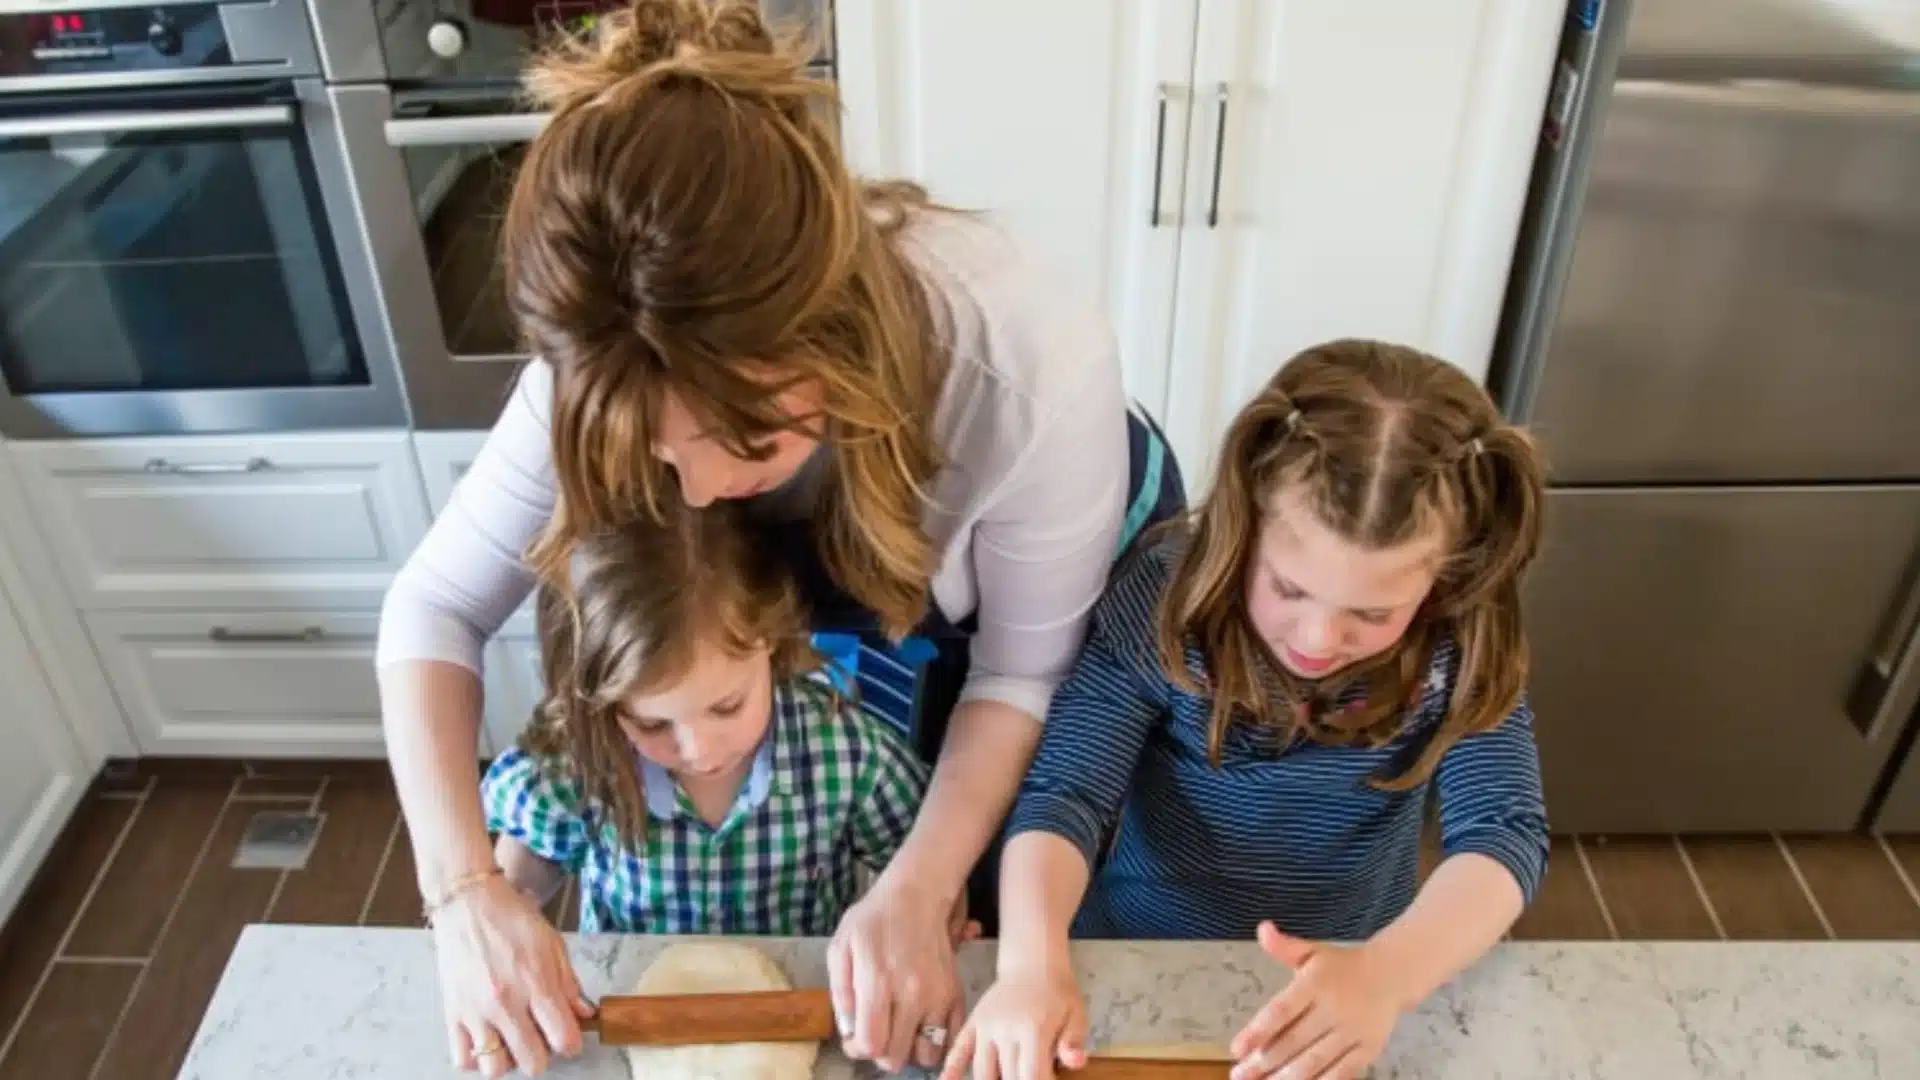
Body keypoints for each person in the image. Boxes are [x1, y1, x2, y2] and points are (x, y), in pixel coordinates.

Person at [372, 1, 1185, 1077]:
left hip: (1021, 602)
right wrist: (465, 893)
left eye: (739, 438)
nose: (700, 492)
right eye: (660, 462)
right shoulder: (615, 347)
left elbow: (1021, 674)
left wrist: (916, 886)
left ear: (834, 342)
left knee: (964, 896)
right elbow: (433, 610)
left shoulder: (1025, 366)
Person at [943, 340, 1551, 1080]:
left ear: (1445, 579)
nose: (1321, 638)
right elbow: (1067, 794)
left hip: (1354, 975)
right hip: (1135, 957)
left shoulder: (1461, 640)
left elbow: (1503, 833)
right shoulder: (1161, 604)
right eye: (1289, 590)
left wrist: (1388, 974)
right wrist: (1030, 965)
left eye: (1373, 610)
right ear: (1244, 525)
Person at [481, 508, 932, 937]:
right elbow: (532, 853)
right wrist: (510, 902)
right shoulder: (582, 766)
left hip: (795, 1005)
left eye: (727, 707)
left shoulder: (847, 754)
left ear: (770, 640)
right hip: (636, 1001)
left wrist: (914, 913)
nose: (699, 750)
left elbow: (923, 856)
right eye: (652, 725)